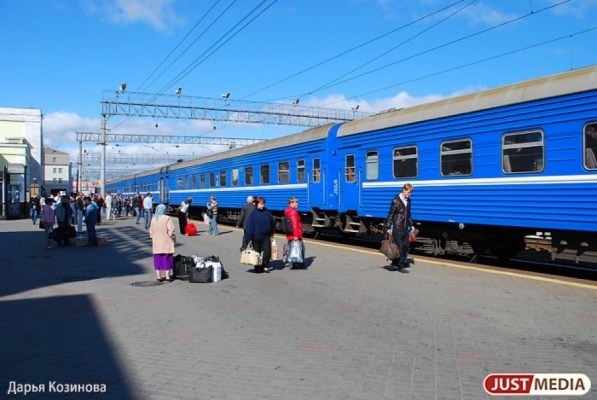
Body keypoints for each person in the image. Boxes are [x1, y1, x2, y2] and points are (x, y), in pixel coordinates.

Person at [383, 183, 414, 274]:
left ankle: (395, 262)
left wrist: (411, 224)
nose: (410, 194)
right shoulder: (396, 201)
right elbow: (391, 214)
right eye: (409, 192)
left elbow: (408, 215)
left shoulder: (408, 201)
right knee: (400, 247)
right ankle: (401, 266)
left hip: (405, 227)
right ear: (404, 190)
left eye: (411, 192)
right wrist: (388, 227)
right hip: (397, 227)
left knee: (406, 246)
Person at [245, 197, 275, 273]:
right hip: (256, 236)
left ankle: (265, 265)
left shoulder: (267, 211)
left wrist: (272, 230)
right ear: (256, 204)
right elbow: (250, 226)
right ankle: (257, 267)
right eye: (261, 204)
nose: (262, 206)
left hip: (266, 235)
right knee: (257, 253)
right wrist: (249, 238)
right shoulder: (253, 214)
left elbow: (272, 220)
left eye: (263, 204)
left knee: (267, 251)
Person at [149, 204, 176, 282]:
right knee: (167, 258)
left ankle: (159, 277)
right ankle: (167, 277)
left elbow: (151, 231)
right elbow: (171, 231)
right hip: (166, 241)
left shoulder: (153, 219)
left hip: (156, 242)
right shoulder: (167, 218)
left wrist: (153, 237)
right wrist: (173, 237)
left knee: (157, 259)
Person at [284, 197, 305, 269]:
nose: (297, 204)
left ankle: (292, 265)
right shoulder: (293, 212)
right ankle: (299, 265)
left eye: (297, 202)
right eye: (295, 202)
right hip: (295, 234)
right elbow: (295, 225)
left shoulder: (288, 210)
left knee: (292, 249)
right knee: (301, 248)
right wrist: (296, 236)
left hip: (290, 234)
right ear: (291, 203)